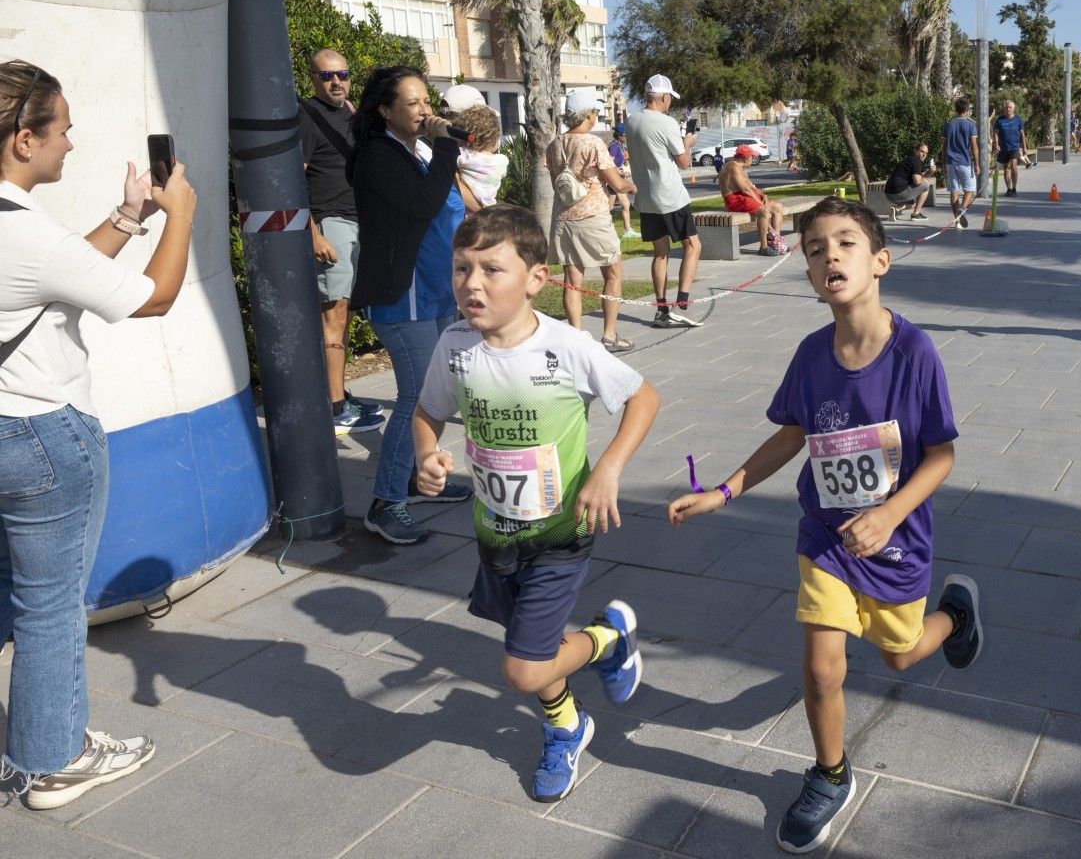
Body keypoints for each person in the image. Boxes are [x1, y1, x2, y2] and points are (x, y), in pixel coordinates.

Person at [666, 196, 983, 853]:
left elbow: (943, 454)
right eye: (815, 249)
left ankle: (955, 614)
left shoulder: (914, 353)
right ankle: (829, 774)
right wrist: (724, 490)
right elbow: (792, 436)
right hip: (826, 539)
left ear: (880, 261)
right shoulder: (811, 355)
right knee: (821, 666)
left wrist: (890, 512)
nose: (829, 255)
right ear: (808, 274)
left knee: (899, 652)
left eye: (844, 243)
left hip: (896, 542)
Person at [412, 204, 659, 803]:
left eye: (492, 270)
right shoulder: (455, 346)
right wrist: (426, 455)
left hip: (561, 534)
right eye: (462, 269)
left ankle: (600, 648)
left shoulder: (567, 346)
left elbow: (643, 398)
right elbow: (427, 413)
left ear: (535, 279)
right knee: (533, 647)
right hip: (495, 534)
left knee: (524, 668)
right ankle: (573, 714)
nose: (473, 284)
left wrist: (607, 470)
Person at [0, 59, 197, 809]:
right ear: (24, 140)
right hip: (45, 437)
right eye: (63, 130)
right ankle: (53, 759)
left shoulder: (23, 235)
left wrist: (126, 219)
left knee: (5, 589)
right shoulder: (30, 238)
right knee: (49, 605)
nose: (71, 145)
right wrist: (178, 213)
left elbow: (57, 274)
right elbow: (153, 299)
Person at [349, 65, 470, 545]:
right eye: (414, 103)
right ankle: (385, 503)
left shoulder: (412, 151)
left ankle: (418, 478)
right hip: (404, 298)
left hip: (437, 292)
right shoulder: (377, 156)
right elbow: (422, 205)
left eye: (427, 101)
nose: (426, 110)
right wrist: (446, 146)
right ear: (385, 110)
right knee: (417, 398)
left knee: (436, 394)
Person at [297, 48, 383, 435]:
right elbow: (294, 179)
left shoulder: (350, 113)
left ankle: (339, 395)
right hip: (331, 223)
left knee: (345, 316)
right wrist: (313, 232)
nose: (336, 81)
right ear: (313, 79)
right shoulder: (307, 117)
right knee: (333, 316)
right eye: (327, 75)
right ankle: (333, 408)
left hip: (357, 221)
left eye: (342, 74)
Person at [547, 90, 637, 352]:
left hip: (563, 218)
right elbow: (616, 182)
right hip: (592, 217)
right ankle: (609, 336)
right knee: (612, 272)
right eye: (595, 113)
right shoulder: (592, 142)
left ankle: (575, 340)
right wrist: (631, 186)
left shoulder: (554, 144)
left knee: (572, 279)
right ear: (588, 115)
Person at [625, 75, 702, 328]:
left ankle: (661, 309)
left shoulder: (631, 121)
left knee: (660, 255)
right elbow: (683, 163)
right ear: (664, 97)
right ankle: (682, 304)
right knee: (693, 245)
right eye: (670, 99)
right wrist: (687, 143)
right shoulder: (666, 122)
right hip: (670, 196)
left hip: (646, 198)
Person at [719, 145, 788, 255]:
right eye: (752, 156)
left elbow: (751, 187)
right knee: (764, 211)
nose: (753, 158)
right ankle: (764, 247)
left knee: (778, 207)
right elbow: (745, 189)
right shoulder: (733, 167)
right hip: (735, 199)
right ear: (746, 158)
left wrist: (763, 195)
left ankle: (776, 242)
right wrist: (761, 203)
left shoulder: (740, 168)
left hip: (745, 197)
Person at [451, 103, 508, 211]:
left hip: (465, 209)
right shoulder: (502, 161)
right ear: (494, 139)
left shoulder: (464, 155)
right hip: (490, 206)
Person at [941, 96, 978, 229]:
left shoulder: (949, 125)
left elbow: (944, 147)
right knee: (970, 190)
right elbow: (974, 147)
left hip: (950, 162)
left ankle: (957, 221)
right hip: (965, 162)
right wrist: (978, 165)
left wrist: (943, 164)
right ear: (967, 109)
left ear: (956, 109)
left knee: (954, 192)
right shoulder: (970, 125)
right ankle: (962, 209)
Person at [882, 140, 936, 222]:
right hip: (898, 192)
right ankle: (916, 215)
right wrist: (924, 179)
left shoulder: (910, 160)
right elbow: (918, 181)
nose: (924, 154)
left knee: (913, 203)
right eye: (922, 151)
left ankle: (895, 209)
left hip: (888, 193)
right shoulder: (915, 160)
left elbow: (921, 175)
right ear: (916, 151)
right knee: (926, 185)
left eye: (926, 153)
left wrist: (931, 172)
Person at [607, 122, 635, 237]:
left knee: (618, 205)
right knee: (619, 205)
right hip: (614, 178)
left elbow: (618, 161)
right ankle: (608, 230)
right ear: (619, 135)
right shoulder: (614, 146)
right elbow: (609, 163)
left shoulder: (619, 145)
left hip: (616, 177)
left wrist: (625, 162)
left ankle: (627, 231)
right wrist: (621, 173)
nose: (627, 137)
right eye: (625, 135)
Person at [992, 100, 1025, 197]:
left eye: (1010, 107)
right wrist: (996, 144)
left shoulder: (1018, 119)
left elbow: (1022, 134)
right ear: (1004, 109)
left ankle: (1014, 188)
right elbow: (996, 134)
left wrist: (1024, 147)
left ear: (1013, 108)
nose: (1008, 109)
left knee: (1014, 166)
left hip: (1014, 147)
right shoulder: (1000, 120)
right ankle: (1009, 189)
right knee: (1006, 169)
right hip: (1003, 148)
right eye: (1006, 107)